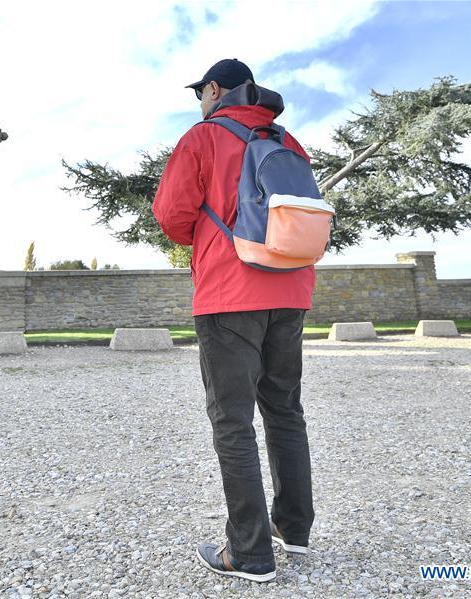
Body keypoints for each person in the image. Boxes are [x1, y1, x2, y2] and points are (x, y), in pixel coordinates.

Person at [152, 59, 316, 583]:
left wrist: (204, 236)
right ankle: (294, 529)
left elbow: (170, 215)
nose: (199, 101)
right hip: (291, 289)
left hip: (229, 292)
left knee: (232, 421)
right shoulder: (288, 141)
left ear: (216, 89)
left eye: (200, 92)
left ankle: (248, 553)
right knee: (285, 412)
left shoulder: (203, 137)